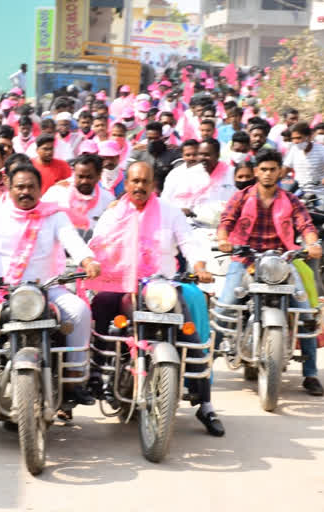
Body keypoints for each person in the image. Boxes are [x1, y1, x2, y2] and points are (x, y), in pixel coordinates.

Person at [87, 161, 224, 437]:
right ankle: (94, 374)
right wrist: (91, 262)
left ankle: (205, 401)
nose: (139, 186)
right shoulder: (114, 214)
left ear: (153, 185)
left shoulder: (170, 212)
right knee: (100, 302)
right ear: (127, 185)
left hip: (161, 287)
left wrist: (199, 266)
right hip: (123, 285)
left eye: (144, 182)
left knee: (190, 332)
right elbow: (97, 244)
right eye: (134, 181)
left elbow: (188, 242)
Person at [0, 164, 101, 409]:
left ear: (40, 189)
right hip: (2, 290)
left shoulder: (54, 214)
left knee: (80, 312)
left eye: (31, 187)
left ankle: (74, 381)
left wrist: (88, 260)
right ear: (9, 188)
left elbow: (72, 240)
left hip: (47, 288)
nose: (26, 192)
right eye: (20, 187)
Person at [215, 149, 324, 397]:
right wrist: (223, 239)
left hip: (282, 260)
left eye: (272, 169)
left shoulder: (290, 200)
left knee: (305, 312)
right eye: (263, 169)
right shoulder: (241, 197)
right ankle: (204, 366)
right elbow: (226, 221)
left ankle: (311, 374)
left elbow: (306, 224)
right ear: (256, 172)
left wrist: (312, 243)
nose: (267, 174)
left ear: (280, 171)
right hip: (246, 258)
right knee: (224, 308)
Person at [42, 153, 115, 232]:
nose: (84, 181)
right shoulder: (57, 192)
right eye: (80, 176)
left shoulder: (108, 200)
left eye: (89, 177)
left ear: (99, 176)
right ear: (74, 174)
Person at [283, 122, 324, 207]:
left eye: (299, 138)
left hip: (321, 192)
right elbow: (284, 170)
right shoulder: (294, 150)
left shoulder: (322, 150)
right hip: (299, 192)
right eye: (293, 139)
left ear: (309, 136)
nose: (296, 141)